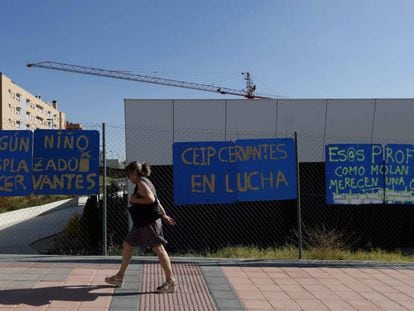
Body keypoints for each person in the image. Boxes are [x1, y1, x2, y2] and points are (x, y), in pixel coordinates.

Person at [105, 161, 177, 293]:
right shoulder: (146, 181)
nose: (128, 178)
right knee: (128, 244)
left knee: (159, 249)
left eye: (129, 175)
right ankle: (119, 277)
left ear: (134, 173)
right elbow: (157, 200)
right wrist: (164, 215)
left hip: (148, 222)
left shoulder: (141, 183)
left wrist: (134, 200)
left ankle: (171, 281)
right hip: (141, 223)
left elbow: (150, 199)